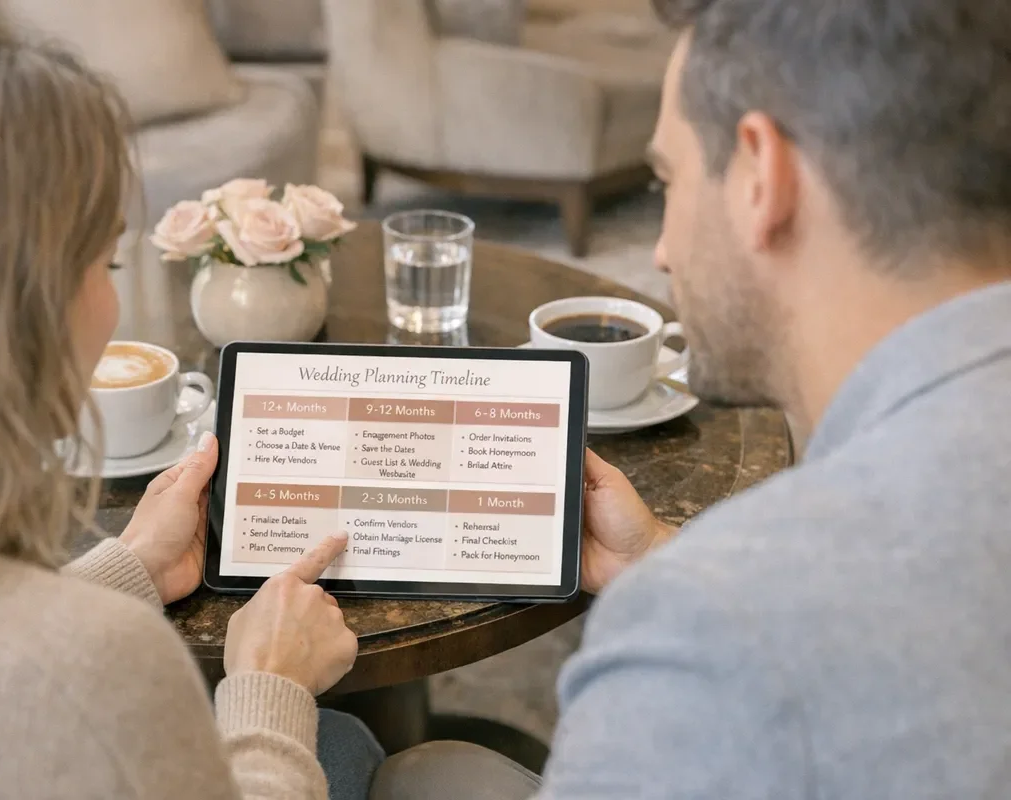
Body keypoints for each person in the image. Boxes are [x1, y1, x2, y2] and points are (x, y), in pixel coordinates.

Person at [370, 0, 1011, 797]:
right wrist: (659, 559)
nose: (663, 250)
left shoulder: (708, 627)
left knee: (409, 776)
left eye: (665, 179)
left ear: (759, 177)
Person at [0, 14, 382, 800]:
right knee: (368, 754)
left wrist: (127, 570)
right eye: (103, 260)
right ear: (16, 308)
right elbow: (37, 675)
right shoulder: (97, 670)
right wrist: (268, 687)